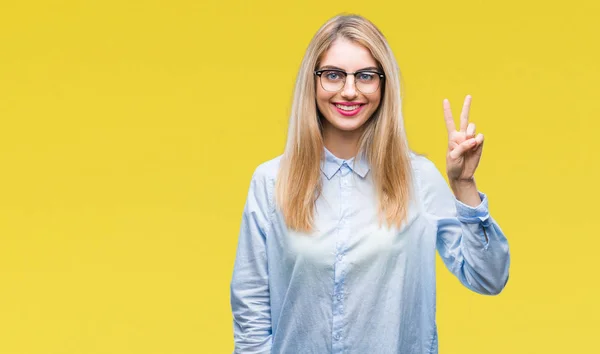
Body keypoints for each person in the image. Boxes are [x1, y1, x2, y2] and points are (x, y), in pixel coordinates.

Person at [230, 13, 510, 354]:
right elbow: (251, 315)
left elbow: (489, 278)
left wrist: (464, 184)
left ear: (383, 84)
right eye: (333, 75)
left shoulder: (418, 179)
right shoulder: (270, 181)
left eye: (365, 76)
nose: (349, 91)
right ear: (313, 81)